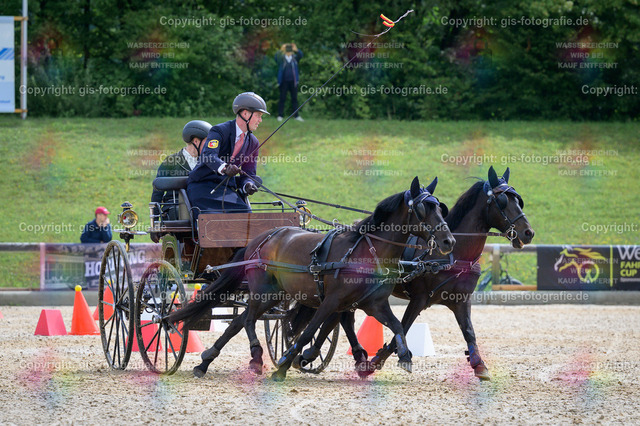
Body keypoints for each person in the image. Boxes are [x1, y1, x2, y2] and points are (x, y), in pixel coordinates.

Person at [187, 92, 268, 218]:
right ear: (245, 114)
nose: (260, 120)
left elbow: (249, 173)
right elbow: (208, 155)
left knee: (248, 218)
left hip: (227, 190)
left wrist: (247, 185)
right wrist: (225, 168)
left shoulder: (253, 143)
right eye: (258, 115)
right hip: (203, 187)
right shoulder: (219, 131)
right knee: (214, 221)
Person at [150, 120, 212, 220]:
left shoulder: (211, 162)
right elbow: (157, 195)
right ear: (196, 141)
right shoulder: (170, 162)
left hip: (203, 208)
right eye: (207, 142)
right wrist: (155, 221)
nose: (210, 146)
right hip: (176, 211)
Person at [275, 43, 303, 122]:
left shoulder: (295, 58)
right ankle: (280, 115)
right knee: (282, 98)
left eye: (290, 50)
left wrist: (296, 49)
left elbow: (301, 55)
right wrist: (281, 49)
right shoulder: (282, 58)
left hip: (293, 82)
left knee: (294, 99)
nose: (288, 52)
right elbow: (276, 57)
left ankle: (296, 116)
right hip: (284, 82)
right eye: (287, 50)